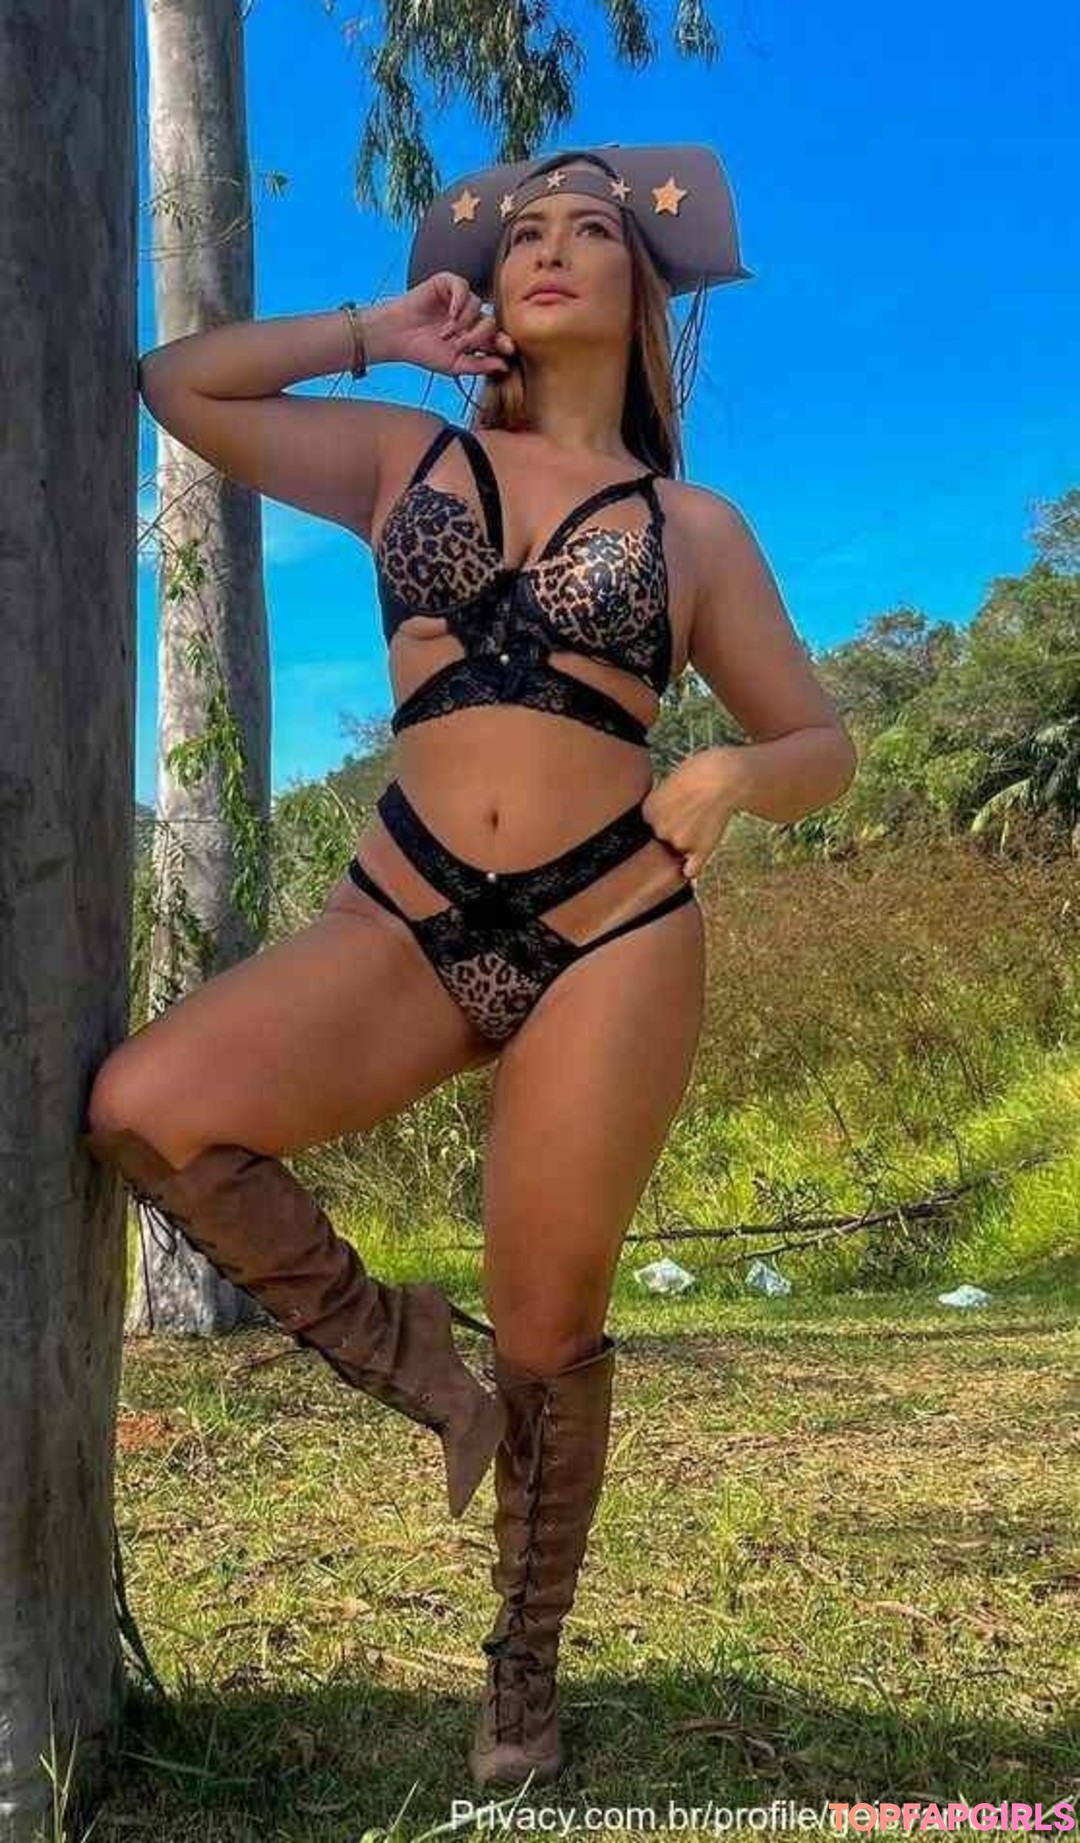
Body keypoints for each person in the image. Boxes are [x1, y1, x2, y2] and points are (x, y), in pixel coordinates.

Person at [81, 141, 857, 1790]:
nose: (551, 248)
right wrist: (380, 327)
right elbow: (179, 383)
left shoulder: (693, 527)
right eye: (526, 234)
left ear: (643, 294)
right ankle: (413, 1365)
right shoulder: (403, 457)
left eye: (591, 232)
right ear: (488, 288)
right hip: (401, 914)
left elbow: (823, 743)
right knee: (150, 1107)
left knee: (550, 1325)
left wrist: (732, 773)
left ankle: (521, 1671)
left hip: (612, 929)